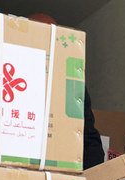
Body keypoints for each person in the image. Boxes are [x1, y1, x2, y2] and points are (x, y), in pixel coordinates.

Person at [27, 12, 105, 170]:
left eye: (53, 38)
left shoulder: (73, 84)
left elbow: (88, 138)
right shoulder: (8, 76)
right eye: (41, 36)